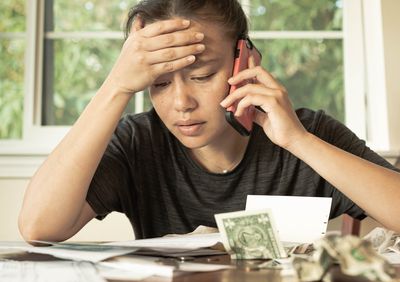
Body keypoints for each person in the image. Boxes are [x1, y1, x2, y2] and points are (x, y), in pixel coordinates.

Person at [19, 0, 400, 243]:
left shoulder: (309, 133)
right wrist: (115, 87)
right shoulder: (139, 142)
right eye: (160, 83)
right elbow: (39, 227)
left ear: (245, 62)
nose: (181, 102)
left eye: (201, 76)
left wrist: (299, 142)